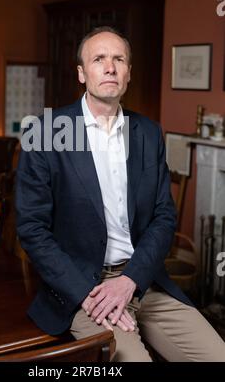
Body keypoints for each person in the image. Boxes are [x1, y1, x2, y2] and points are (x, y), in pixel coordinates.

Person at [16, 26, 225, 361]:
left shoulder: (148, 133)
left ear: (128, 73)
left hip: (143, 278)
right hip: (85, 288)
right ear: (82, 74)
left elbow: (163, 216)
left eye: (119, 59)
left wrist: (130, 280)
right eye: (99, 59)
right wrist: (88, 294)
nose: (110, 66)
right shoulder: (44, 133)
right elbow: (32, 229)